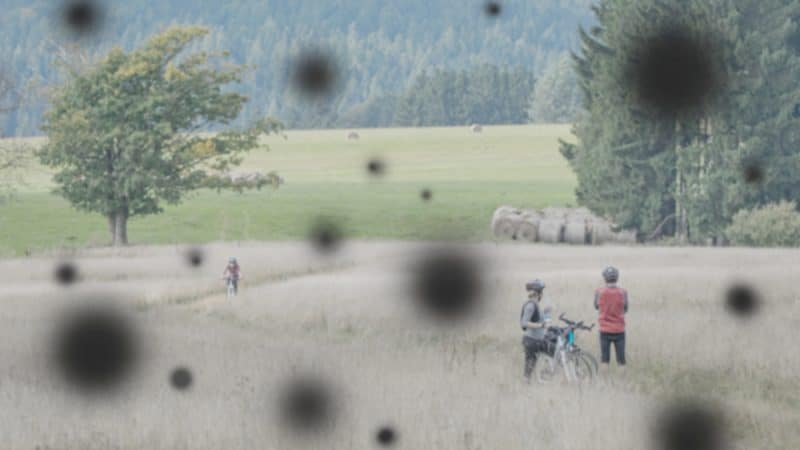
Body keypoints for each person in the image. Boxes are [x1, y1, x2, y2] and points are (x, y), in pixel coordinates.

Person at [594, 266, 628, 377]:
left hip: (604, 330)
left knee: (604, 359)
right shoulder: (623, 292)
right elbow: (626, 309)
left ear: (605, 278)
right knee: (621, 360)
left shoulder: (599, 292)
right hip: (619, 330)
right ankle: (622, 384)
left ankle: (604, 383)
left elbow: (596, 306)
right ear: (617, 278)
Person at [520, 279, 554, 382]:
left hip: (536, 339)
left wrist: (546, 312)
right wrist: (541, 325)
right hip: (531, 340)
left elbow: (538, 318)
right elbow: (524, 322)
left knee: (532, 366)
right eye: (541, 292)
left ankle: (542, 377)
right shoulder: (531, 305)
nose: (542, 295)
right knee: (529, 369)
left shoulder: (535, 305)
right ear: (538, 293)